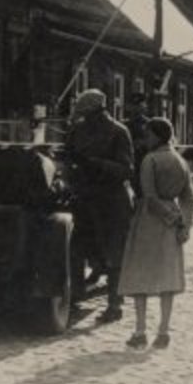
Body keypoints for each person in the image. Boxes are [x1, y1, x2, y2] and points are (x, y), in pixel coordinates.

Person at [118, 117, 193, 350]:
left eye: (149, 135)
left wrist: (169, 218)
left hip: (149, 221)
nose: (146, 139)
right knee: (167, 277)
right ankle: (163, 331)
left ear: (158, 136)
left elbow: (150, 197)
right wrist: (185, 225)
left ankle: (140, 331)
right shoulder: (180, 160)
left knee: (139, 275)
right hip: (172, 218)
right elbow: (189, 199)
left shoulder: (150, 160)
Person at [64, 88, 134, 323]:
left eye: (87, 114)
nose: (84, 118)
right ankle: (75, 295)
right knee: (77, 249)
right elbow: (68, 159)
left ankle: (115, 305)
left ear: (99, 111)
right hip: (84, 200)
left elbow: (126, 170)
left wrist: (95, 163)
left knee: (114, 254)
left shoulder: (118, 132)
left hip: (112, 201)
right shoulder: (77, 131)